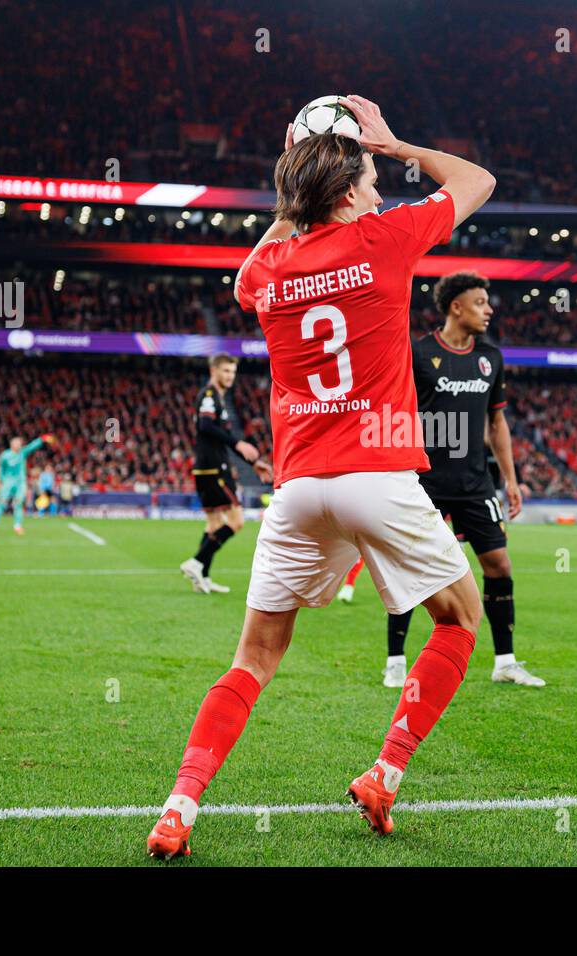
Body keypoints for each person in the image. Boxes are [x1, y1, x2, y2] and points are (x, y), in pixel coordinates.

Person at [147, 95, 497, 858]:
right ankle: (384, 775)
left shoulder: (271, 266)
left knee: (253, 660)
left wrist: (298, 182)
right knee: (460, 619)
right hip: (378, 470)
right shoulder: (387, 236)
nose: (379, 182)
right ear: (347, 189)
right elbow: (476, 179)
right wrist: (394, 141)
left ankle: (179, 806)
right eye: (369, 173)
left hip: (299, 486)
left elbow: (246, 278)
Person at [381, 271, 542, 689]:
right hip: (426, 483)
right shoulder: (418, 354)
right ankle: (395, 662)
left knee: (499, 564)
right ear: (457, 307)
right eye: (480, 302)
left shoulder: (491, 357)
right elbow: (397, 414)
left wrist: (511, 479)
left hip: (475, 483)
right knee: (409, 568)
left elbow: (497, 422)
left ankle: (505, 661)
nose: (488, 310)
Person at [180, 354, 271, 594]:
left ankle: (203, 577)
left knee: (214, 524)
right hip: (215, 468)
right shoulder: (210, 396)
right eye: (226, 371)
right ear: (214, 370)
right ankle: (196, 562)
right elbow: (206, 426)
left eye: (232, 372)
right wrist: (239, 445)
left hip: (206, 468)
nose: (230, 376)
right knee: (236, 521)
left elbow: (224, 441)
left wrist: (252, 463)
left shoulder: (217, 397)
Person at [0, 434, 55, 536]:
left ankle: (17, 526)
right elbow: (1, 469)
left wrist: (42, 438)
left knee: (18, 504)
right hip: (8, 482)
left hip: (20, 482)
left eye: (20, 443)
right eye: (17, 443)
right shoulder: (5, 455)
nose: (19, 445)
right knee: (2, 502)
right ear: (12, 444)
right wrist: (0, 481)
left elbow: (32, 445)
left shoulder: (22, 452)